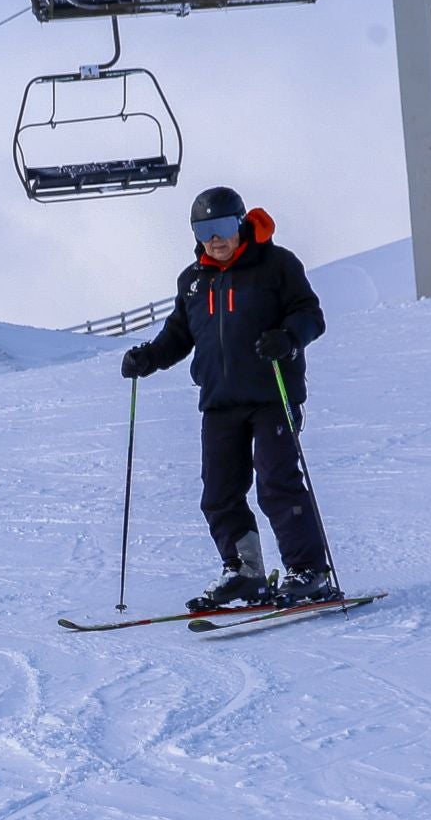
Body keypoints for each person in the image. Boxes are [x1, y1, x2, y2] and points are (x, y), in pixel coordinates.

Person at [122, 187, 334, 609]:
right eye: (204, 230)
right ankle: (245, 573)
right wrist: (148, 358)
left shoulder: (277, 265)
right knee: (219, 493)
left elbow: (310, 314)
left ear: (240, 223)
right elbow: (179, 336)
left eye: (221, 228)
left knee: (277, 483)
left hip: (272, 393)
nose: (214, 239)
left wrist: (289, 338)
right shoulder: (193, 281)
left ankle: (308, 572)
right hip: (219, 401)